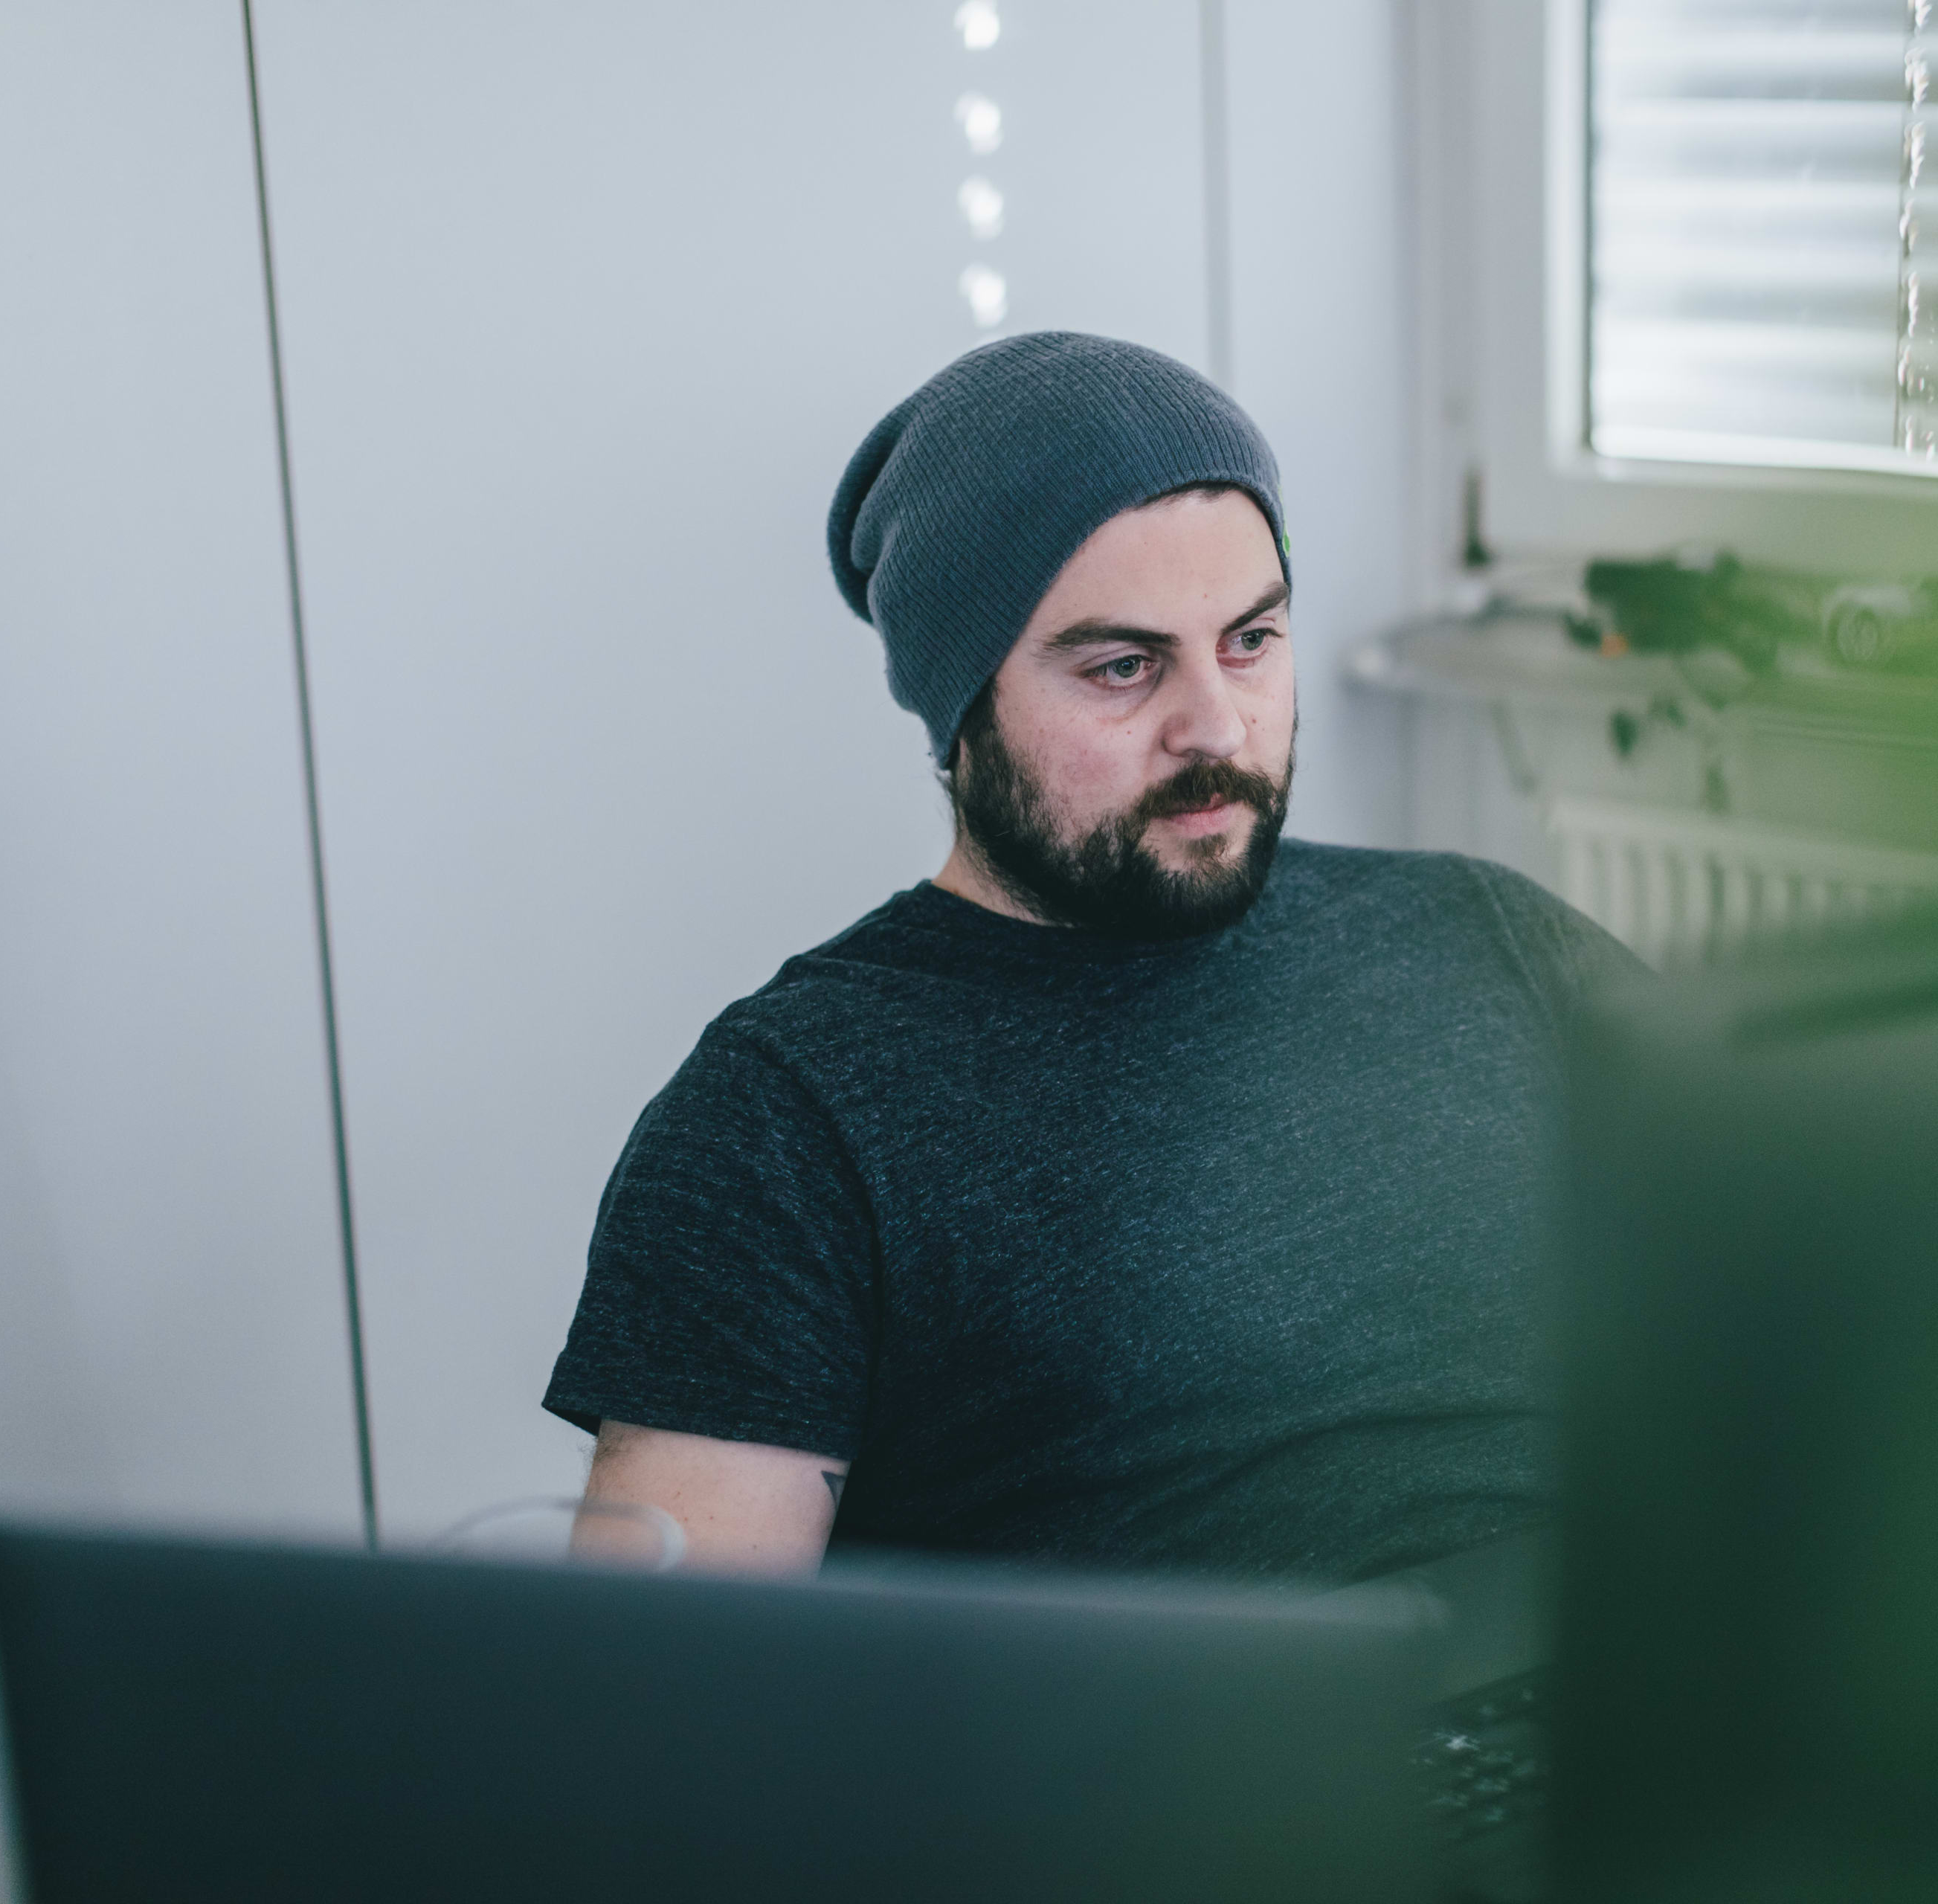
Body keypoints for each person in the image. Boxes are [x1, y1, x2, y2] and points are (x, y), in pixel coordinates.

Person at [542, 332, 1636, 1580]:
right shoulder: (788, 1118)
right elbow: (675, 1702)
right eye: (1124, 667)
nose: (1217, 728)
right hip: (1193, 1759)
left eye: (1252, 641)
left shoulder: (1485, 940)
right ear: (963, 714)